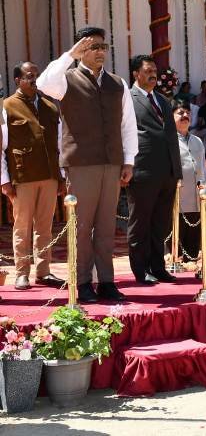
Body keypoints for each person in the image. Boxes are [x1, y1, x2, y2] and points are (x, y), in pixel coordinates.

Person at [37, 26, 137, 303]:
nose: (100, 52)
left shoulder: (117, 83)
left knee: (106, 226)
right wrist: (70, 55)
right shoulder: (66, 79)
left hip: (112, 163)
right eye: (93, 47)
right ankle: (81, 282)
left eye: (103, 47)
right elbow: (43, 83)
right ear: (81, 50)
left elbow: (128, 124)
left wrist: (128, 160)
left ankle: (106, 282)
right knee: (81, 226)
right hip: (81, 164)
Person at [0, 62, 66, 290]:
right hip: (22, 177)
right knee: (22, 227)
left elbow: (60, 145)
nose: (34, 79)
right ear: (17, 80)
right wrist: (4, 180)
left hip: (49, 176)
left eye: (36, 75)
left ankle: (44, 272)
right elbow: (1, 148)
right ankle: (21, 273)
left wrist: (61, 176)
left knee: (45, 227)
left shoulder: (51, 107)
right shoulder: (7, 107)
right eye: (29, 76)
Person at [126, 55, 182, 285]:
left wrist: (176, 170)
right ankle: (140, 270)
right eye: (148, 71)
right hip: (142, 170)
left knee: (160, 223)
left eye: (155, 72)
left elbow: (170, 135)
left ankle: (158, 267)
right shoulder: (127, 99)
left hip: (167, 172)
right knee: (141, 223)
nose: (153, 75)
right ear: (136, 74)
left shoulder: (162, 100)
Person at [174, 100, 206, 265]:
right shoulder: (167, 140)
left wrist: (205, 190)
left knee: (194, 232)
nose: (185, 115)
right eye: (180, 113)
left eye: (187, 113)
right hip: (177, 197)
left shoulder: (197, 141)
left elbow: (203, 168)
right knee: (176, 232)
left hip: (196, 196)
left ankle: (192, 260)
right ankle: (175, 261)